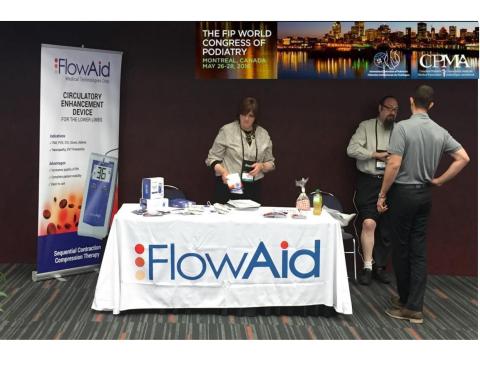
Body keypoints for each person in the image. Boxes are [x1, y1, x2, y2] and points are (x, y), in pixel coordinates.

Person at [377, 85, 469, 324]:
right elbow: (463, 158)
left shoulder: (402, 128)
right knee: (418, 251)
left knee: (401, 249)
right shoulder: (440, 131)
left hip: (403, 194)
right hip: (424, 195)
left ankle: (407, 303)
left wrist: (382, 194)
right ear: (431, 105)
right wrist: (438, 180)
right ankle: (413, 305)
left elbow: (394, 164)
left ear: (410, 102)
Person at [347, 96, 399, 285]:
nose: (392, 112)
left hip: (392, 182)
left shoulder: (400, 130)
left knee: (386, 228)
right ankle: (367, 266)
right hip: (368, 181)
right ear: (380, 108)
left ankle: (380, 267)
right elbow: (351, 149)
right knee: (369, 223)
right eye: (388, 108)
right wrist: (374, 154)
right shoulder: (366, 126)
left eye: (395, 109)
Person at [205, 97, 275, 204]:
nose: (246, 119)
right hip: (230, 183)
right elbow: (211, 159)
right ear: (239, 114)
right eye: (243, 114)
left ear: (255, 117)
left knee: (250, 219)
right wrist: (223, 172)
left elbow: (271, 163)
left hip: (253, 187)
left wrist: (262, 166)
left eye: (250, 116)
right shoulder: (227, 131)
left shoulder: (263, 134)